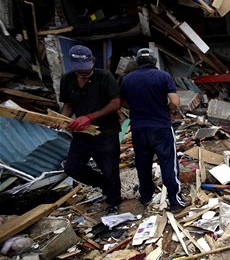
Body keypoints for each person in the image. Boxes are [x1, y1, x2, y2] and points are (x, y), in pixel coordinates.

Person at [120, 48, 186, 213]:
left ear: (138, 62)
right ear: (154, 61)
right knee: (168, 163)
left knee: (143, 164)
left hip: (138, 128)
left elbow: (122, 102)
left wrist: (137, 108)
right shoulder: (163, 76)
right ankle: (175, 201)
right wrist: (165, 109)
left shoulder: (127, 79)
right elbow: (175, 102)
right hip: (161, 126)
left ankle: (145, 197)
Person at [59, 45, 122, 213]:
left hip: (105, 132)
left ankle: (114, 202)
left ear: (92, 62)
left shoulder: (104, 77)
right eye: (80, 71)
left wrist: (90, 117)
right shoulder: (67, 79)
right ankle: (103, 183)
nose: (84, 73)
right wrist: (59, 119)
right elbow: (68, 105)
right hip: (82, 135)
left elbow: (116, 103)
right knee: (72, 167)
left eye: (87, 69)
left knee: (110, 169)